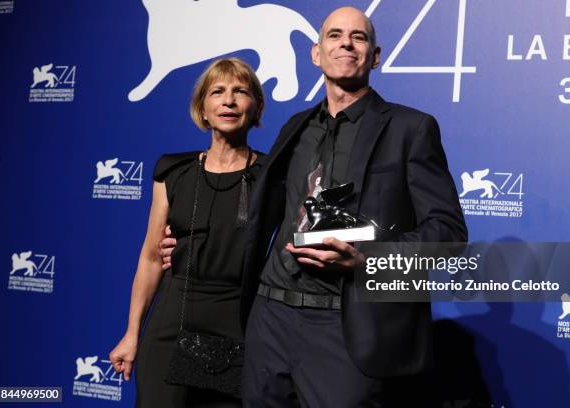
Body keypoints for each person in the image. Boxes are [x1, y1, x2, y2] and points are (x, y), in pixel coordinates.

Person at [160, 7, 467, 406]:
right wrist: (190, 244)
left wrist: (364, 260)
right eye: (335, 35)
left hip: (345, 325)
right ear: (316, 53)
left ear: (375, 56)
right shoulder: (296, 127)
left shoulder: (410, 128)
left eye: (358, 37)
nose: (345, 43)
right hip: (270, 318)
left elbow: (448, 234)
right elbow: (260, 209)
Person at [109, 57, 266, 408]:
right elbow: (151, 257)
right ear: (203, 109)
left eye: (240, 92)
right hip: (170, 325)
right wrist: (132, 334)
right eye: (218, 92)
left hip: (239, 329)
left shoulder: (273, 175)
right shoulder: (173, 170)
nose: (228, 100)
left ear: (255, 107)